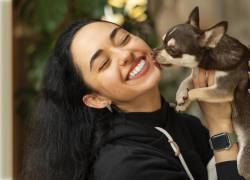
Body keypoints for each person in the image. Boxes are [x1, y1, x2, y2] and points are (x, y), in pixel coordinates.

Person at [22, 19, 250, 180]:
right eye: (103, 63)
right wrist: (220, 128)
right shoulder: (125, 167)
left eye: (122, 39)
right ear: (96, 99)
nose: (125, 55)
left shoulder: (182, 124)